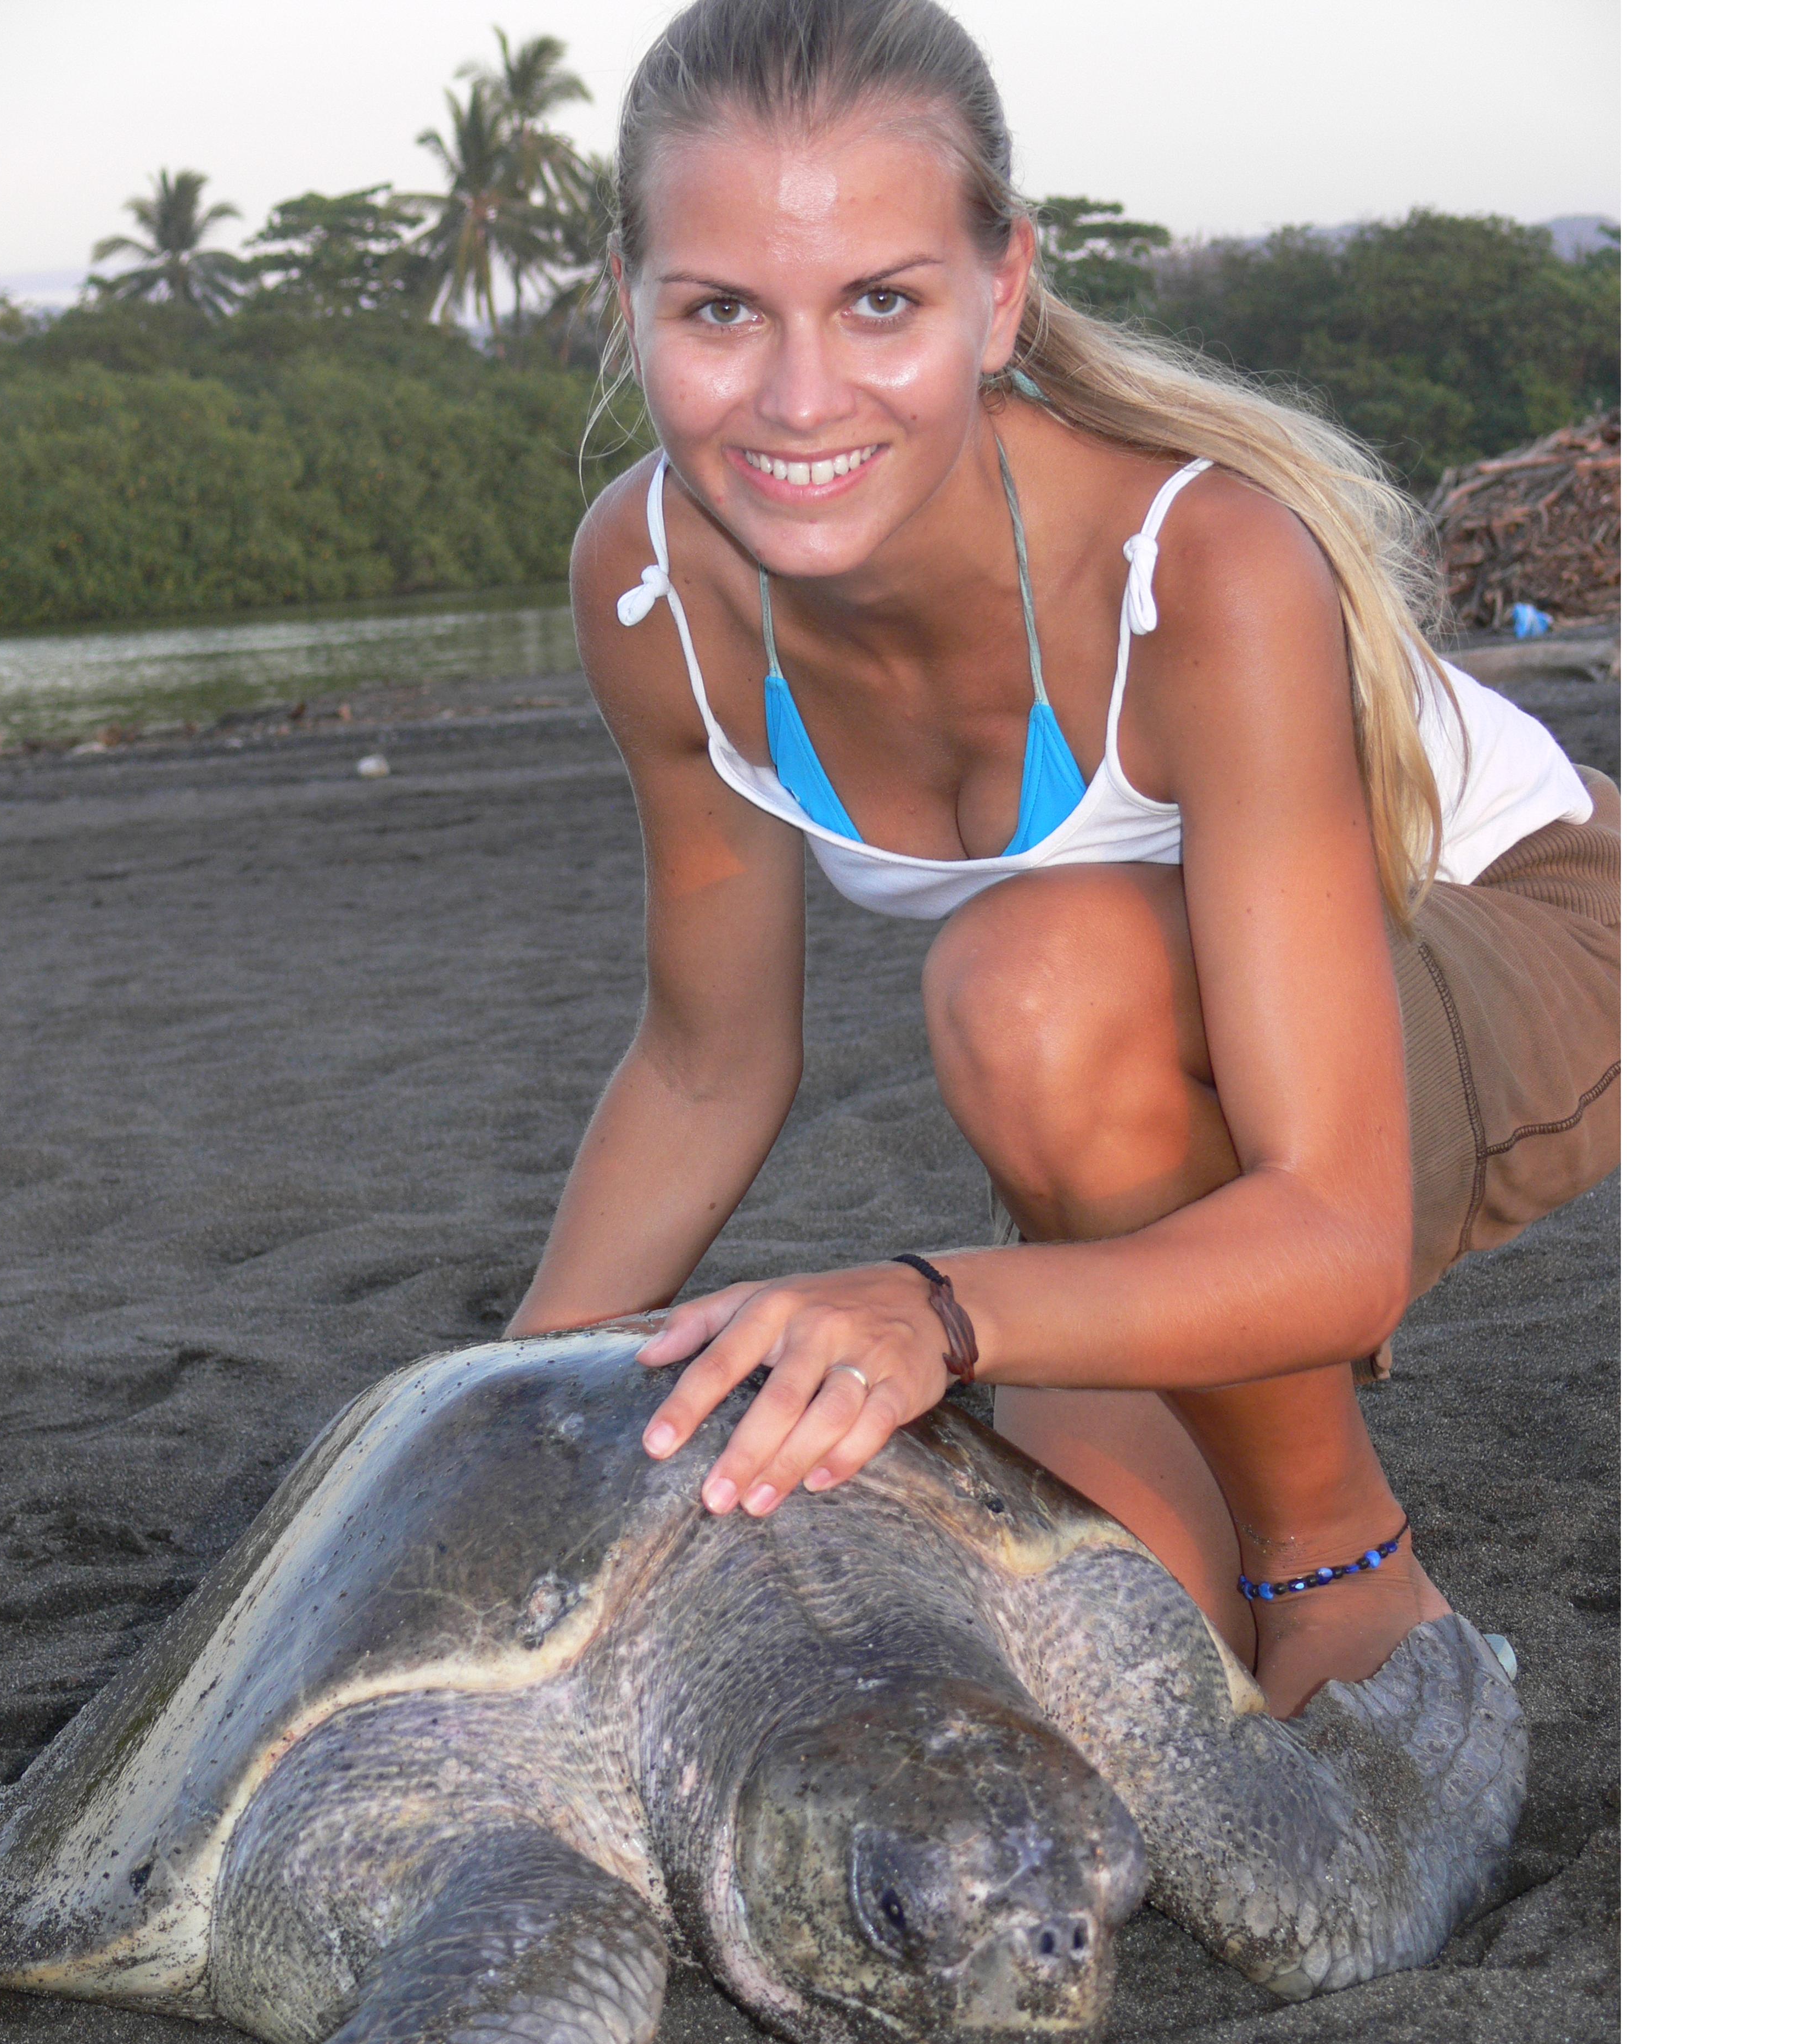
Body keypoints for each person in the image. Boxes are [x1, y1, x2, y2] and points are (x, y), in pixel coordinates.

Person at [506, 0, 1619, 1717]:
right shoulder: (652, 578)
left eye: (884, 301)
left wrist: (931, 1309)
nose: (801, 399)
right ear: (630, 304)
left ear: (1002, 290)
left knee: (1030, 978)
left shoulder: (1207, 562)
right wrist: (492, 1433)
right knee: (1109, 1685)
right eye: (723, 310)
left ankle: (1344, 1561)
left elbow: (1333, 1225)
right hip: (1132, 1082)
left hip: (1531, 931)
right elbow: (707, 1062)